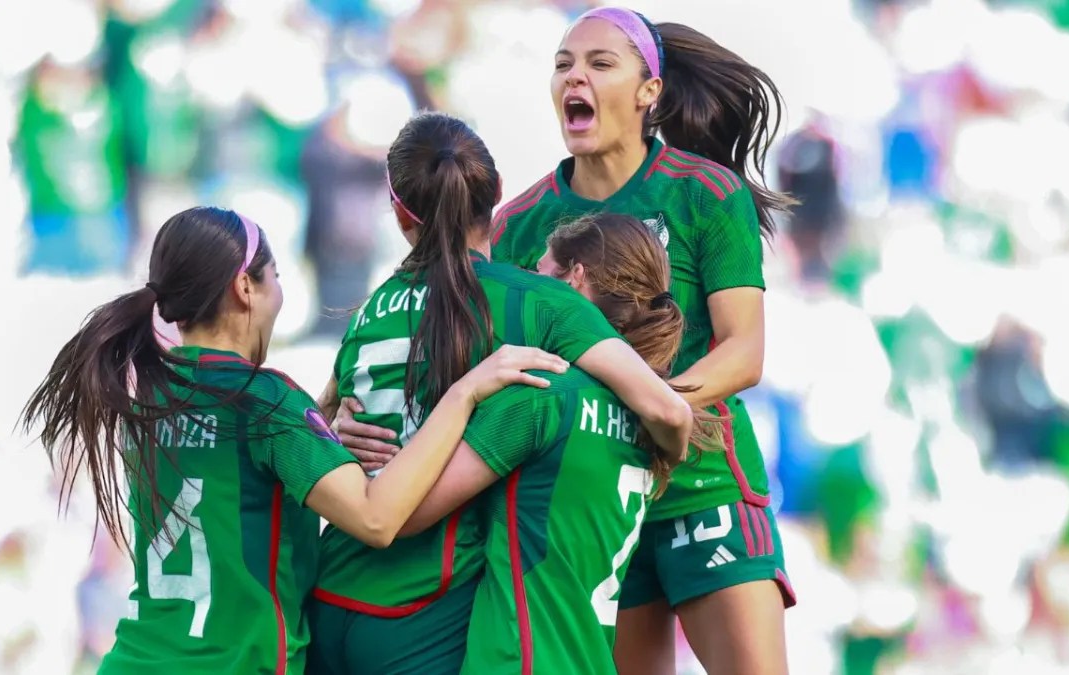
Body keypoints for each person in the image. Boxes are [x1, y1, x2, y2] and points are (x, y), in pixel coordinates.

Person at [18, 206, 567, 674]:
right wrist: (465, 393)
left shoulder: (149, 396)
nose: (279, 294)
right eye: (275, 277)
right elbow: (376, 519)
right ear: (244, 288)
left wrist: (323, 432)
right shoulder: (263, 400)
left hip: (137, 658)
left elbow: (231, 475)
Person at [309, 112, 695, 675]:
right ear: (496, 194)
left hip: (331, 593)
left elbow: (319, 422)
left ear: (398, 211)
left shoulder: (370, 310)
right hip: (425, 612)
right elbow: (664, 407)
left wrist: (339, 433)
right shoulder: (536, 302)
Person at [492, 8, 799, 674]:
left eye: (601, 63)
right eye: (564, 64)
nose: (576, 75)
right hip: (597, 501)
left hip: (705, 482)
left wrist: (640, 407)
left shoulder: (705, 192)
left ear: (648, 92)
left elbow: (743, 354)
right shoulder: (516, 224)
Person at [394, 213, 717, 674]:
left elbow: (403, 512)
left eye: (540, 272)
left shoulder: (541, 398)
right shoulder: (646, 426)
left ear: (575, 279)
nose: (529, 284)